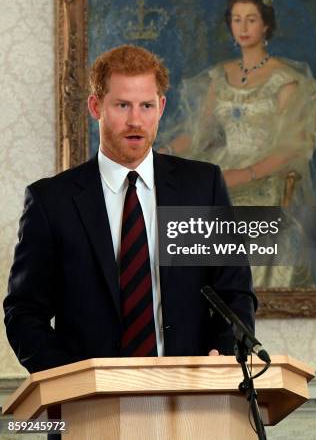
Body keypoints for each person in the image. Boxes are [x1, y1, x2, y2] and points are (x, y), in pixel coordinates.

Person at [3, 44, 256, 374]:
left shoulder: (202, 187)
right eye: (122, 105)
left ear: (161, 107)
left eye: (146, 105)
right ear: (96, 106)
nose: (136, 120)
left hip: (191, 399)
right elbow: (24, 313)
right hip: (89, 409)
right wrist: (70, 382)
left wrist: (223, 356)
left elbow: (235, 293)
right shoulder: (52, 201)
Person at [160, 0, 316, 288]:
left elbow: (292, 148)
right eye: (236, 19)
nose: (243, 27)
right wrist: (165, 151)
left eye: (251, 19)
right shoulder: (219, 76)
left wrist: (245, 173)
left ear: (266, 26)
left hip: (265, 172)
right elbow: (200, 134)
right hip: (222, 164)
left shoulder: (286, 80)